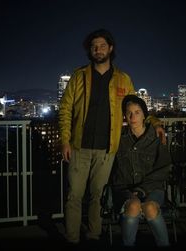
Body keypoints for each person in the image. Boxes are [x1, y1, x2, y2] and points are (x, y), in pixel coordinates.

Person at [58, 28, 166, 245]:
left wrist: (155, 122)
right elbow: (65, 109)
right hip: (79, 146)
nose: (98, 49)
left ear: (111, 49)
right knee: (74, 196)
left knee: (97, 196)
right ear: (90, 50)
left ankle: (94, 235)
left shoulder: (123, 79)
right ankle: (71, 239)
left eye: (102, 45)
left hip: (107, 149)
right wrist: (65, 140)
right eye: (94, 46)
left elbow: (137, 106)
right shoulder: (79, 76)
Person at [110, 95, 172, 247]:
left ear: (145, 115)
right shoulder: (119, 139)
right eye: (129, 113)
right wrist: (130, 192)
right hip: (125, 189)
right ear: (124, 115)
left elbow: (164, 168)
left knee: (150, 207)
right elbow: (115, 170)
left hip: (153, 188)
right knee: (133, 205)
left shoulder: (156, 137)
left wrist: (143, 189)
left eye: (137, 112)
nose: (132, 117)